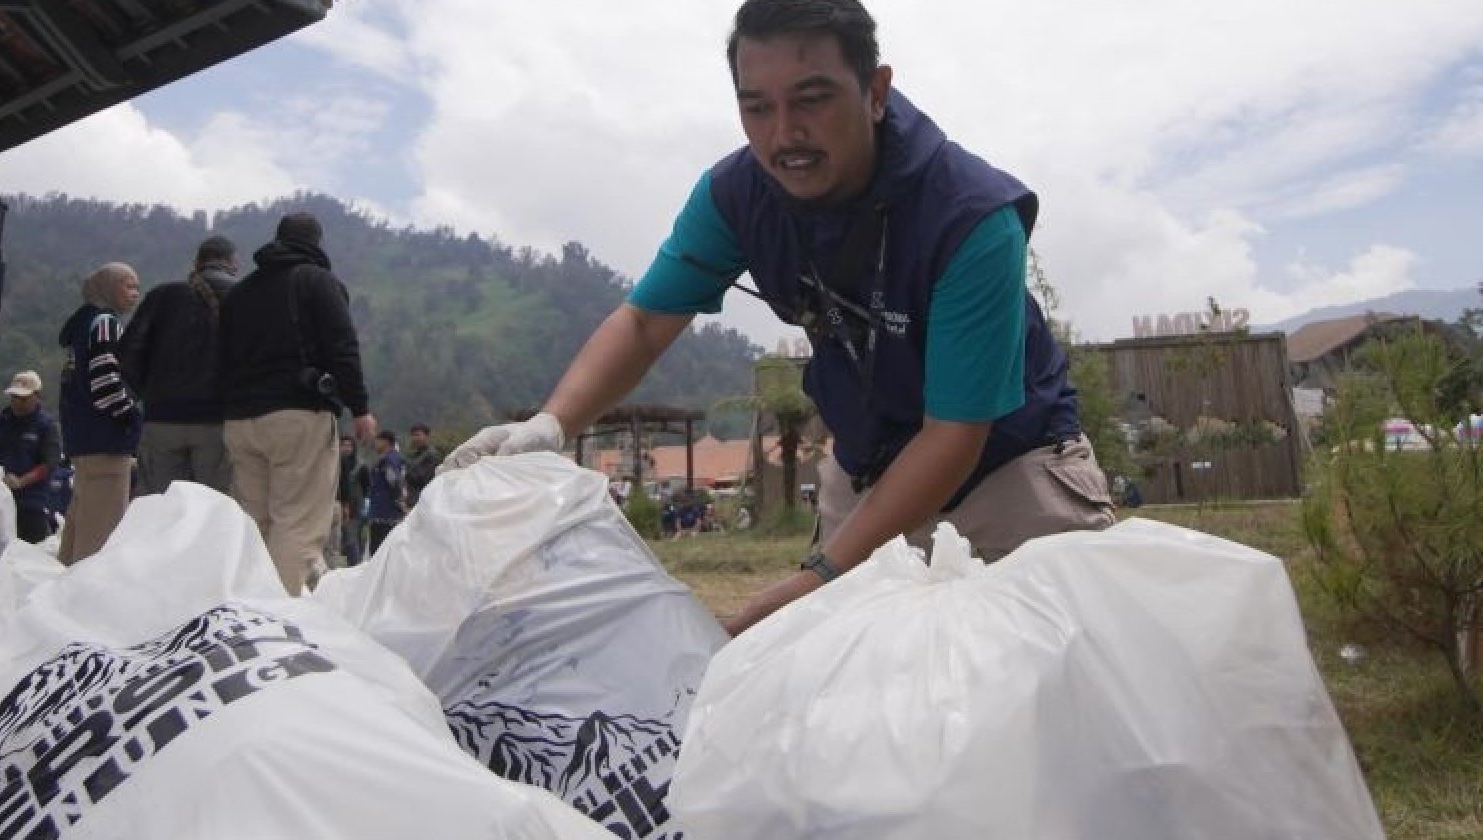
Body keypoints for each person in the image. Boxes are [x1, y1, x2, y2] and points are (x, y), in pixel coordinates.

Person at [441, 0, 1113, 635]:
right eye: (756, 108)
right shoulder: (738, 196)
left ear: (875, 91)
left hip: (1005, 469)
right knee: (846, 710)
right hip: (870, 469)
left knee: (1045, 704)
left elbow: (953, 434)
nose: (784, 135)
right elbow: (646, 322)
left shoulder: (971, 217)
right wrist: (550, 424)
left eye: (812, 101)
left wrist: (818, 575)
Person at [220, 212, 377, 594]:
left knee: (253, 521)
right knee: (297, 521)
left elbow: (220, 355)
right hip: (297, 413)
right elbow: (342, 347)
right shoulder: (316, 281)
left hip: (240, 419)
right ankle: (272, 618)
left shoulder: (239, 293)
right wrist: (359, 407)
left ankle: (237, 611)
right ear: (316, 242)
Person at [120, 235, 239, 494]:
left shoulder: (163, 296)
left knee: (159, 507)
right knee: (213, 508)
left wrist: (145, 394)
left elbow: (129, 352)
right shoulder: (243, 297)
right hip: (218, 422)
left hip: (162, 417)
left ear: (196, 263)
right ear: (233, 263)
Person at [58, 262, 143, 565]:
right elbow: (106, 379)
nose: (135, 293)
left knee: (79, 524)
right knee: (101, 534)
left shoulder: (80, 327)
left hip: (82, 437)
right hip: (106, 438)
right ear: (106, 288)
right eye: (127, 285)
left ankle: (60, 591)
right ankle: (84, 601)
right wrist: (131, 416)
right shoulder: (106, 323)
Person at [0, 371, 61, 544]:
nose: (18, 403)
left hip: (31, 502)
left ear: (37, 397)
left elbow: (49, 464)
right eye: (14, 397)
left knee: (32, 552)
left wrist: (21, 481)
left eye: (24, 398)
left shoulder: (47, 426)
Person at [365, 430, 404, 556]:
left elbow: (394, 482)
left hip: (385, 512)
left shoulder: (389, 460)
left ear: (385, 442)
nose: (375, 444)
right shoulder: (394, 458)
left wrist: (399, 502)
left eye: (377, 441)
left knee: (379, 551)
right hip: (386, 511)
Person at [336, 435, 367, 567]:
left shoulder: (361, 466)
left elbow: (366, 486)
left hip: (354, 508)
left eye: (349, 446)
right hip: (336, 506)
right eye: (344, 445)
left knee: (351, 537)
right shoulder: (334, 464)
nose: (346, 449)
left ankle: (355, 566)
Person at [401, 423, 440, 511]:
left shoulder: (431, 455)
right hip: (412, 500)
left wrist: (405, 473)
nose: (415, 438)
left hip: (424, 500)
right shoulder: (414, 455)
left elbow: (423, 478)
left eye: (418, 435)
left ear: (426, 436)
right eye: (413, 435)